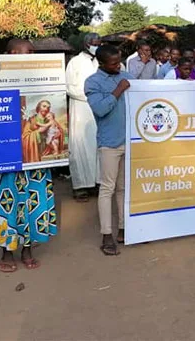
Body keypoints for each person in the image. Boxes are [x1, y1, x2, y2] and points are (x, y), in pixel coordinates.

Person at [0, 39, 57, 273]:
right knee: (6, 200)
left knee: (35, 199)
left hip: (35, 158)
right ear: (8, 55)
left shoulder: (46, 80)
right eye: (23, 53)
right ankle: (6, 250)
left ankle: (28, 248)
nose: (29, 56)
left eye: (32, 53)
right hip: (4, 155)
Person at [85, 45, 132, 255]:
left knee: (123, 188)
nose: (118, 65)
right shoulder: (92, 82)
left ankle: (123, 228)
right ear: (102, 63)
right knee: (107, 189)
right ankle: (106, 234)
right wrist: (119, 90)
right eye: (113, 63)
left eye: (119, 61)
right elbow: (101, 109)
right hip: (109, 143)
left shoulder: (127, 75)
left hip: (130, 140)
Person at [66, 32, 101, 202]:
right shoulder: (75, 62)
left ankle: (96, 182)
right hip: (81, 108)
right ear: (87, 44)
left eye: (99, 43)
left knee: (97, 146)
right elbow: (70, 88)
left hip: (100, 109)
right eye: (95, 43)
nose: (98, 46)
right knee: (81, 147)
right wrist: (92, 95)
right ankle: (80, 186)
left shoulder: (101, 61)